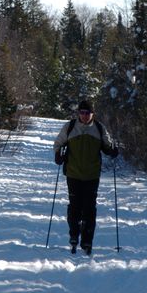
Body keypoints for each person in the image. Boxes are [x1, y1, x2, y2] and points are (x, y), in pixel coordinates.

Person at [53, 99, 118, 255]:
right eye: (81, 112)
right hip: (73, 173)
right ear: (78, 113)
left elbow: (108, 146)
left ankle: (87, 240)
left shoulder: (99, 128)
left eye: (87, 113)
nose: (84, 115)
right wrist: (58, 155)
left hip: (92, 175)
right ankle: (74, 235)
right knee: (74, 207)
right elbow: (58, 143)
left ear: (92, 114)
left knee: (89, 209)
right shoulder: (69, 127)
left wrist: (113, 150)